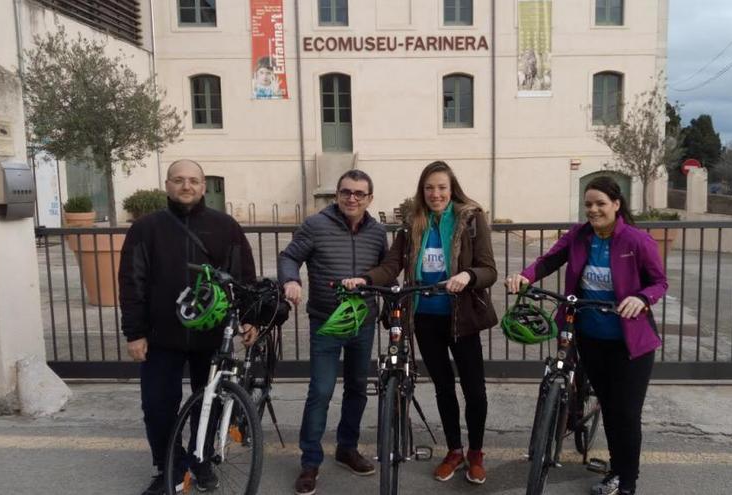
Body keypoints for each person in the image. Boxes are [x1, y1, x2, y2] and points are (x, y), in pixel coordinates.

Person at [506, 176, 667, 495]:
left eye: (600, 204)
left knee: (626, 412)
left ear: (616, 205)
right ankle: (614, 466)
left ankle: (627, 480)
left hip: (630, 343)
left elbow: (659, 282)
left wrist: (642, 298)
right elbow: (549, 260)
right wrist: (524, 277)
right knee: (608, 406)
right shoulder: (579, 236)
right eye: (588, 205)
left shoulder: (637, 241)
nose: (593, 210)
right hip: (590, 336)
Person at [342, 160, 498, 485]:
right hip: (426, 318)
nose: (435, 194)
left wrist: (468, 275)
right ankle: (454, 450)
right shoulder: (413, 223)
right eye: (429, 188)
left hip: (462, 319)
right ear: (421, 191)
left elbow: (488, 269)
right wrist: (365, 278)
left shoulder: (470, 219)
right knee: (443, 388)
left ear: (451, 188)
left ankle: (476, 453)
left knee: (475, 390)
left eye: (441, 187)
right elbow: (391, 264)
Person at [120, 159, 258, 495]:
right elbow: (132, 281)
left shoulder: (225, 226)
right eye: (179, 180)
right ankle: (168, 465)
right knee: (157, 406)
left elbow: (244, 277)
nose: (187, 186)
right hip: (160, 336)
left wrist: (251, 316)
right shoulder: (147, 228)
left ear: (203, 186)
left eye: (194, 180)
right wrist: (134, 332)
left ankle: (202, 461)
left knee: (208, 405)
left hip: (211, 336)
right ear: (167, 185)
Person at [278, 170, 388, 495]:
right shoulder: (316, 225)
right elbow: (289, 256)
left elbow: (387, 268)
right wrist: (291, 280)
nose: (352, 198)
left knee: (357, 388)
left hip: (362, 322)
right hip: (326, 322)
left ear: (369, 198)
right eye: (346, 192)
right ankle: (310, 462)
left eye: (359, 193)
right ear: (337, 195)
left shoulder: (378, 232)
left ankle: (347, 448)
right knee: (321, 391)